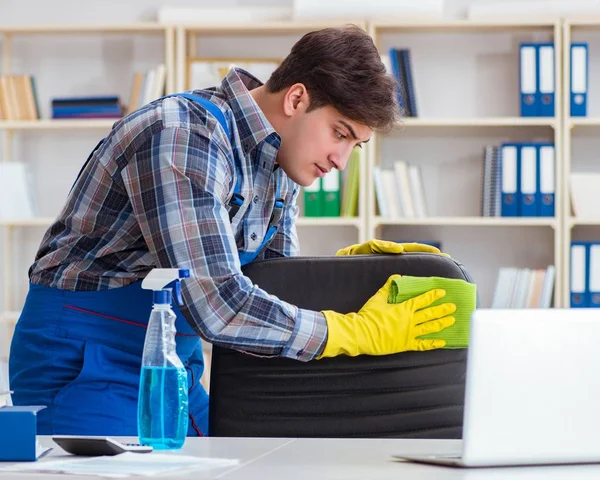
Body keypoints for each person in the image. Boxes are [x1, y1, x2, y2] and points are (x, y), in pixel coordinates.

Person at [9, 25, 456, 436]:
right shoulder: (183, 135)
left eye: (354, 146)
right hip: (84, 354)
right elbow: (218, 304)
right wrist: (349, 333)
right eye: (339, 134)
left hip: (171, 360)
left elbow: (270, 281)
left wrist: (343, 281)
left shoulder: (279, 162)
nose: (341, 161)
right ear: (297, 99)